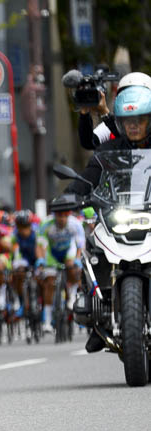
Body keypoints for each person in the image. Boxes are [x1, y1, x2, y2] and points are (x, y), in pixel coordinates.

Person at [65, 84, 151, 352]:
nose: (134, 126)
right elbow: (91, 169)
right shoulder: (108, 150)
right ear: (120, 122)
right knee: (93, 248)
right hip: (120, 211)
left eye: (140, 120)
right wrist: (70, 195)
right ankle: (98, 318)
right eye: (128, 121)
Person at [36, 209, 84, 333]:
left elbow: (80, 246)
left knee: (72, 268)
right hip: (53, 253)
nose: (61, 218)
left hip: (69, 250)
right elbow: (40, 245)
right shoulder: (46, 224)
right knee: (50, 283)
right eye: (59, 215)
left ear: (68, 215)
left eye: (64, 215)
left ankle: (72, 294)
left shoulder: (75, 224)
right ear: (54, 215)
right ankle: (47, 321)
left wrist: (77, 260)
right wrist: (41, 259)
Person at [77, 72, 151, 150]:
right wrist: (84, 111)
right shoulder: (114, 124)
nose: (132, 125)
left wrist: (105, 113)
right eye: (127, 120)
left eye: (140, 119)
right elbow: (89, 143)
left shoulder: (111, 122)